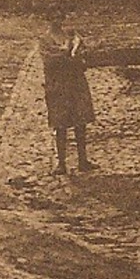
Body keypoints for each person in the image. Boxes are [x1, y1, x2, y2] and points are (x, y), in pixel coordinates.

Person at [39, 12, 96, 174]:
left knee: (81, 121)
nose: (57, 20)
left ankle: (83, 160)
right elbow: (49, 61)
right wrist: (66, 53)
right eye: (53, 17)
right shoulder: (45, 40)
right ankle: (61, 164)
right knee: (60, 124)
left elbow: (83, 56)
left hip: (75, 82)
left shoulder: (71, 36)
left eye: (59, 16)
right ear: (47, 19)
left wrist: (78, 53)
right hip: (58, 85)